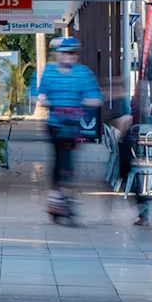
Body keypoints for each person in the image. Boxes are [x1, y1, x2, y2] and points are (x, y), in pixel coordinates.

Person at [36, 37, 103, 221]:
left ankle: (57, 197)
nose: (68, 56)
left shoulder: (83, 73)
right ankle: (61, 197)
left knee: (66, 161)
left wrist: (83, 102)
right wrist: (44, 100)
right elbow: (39, 92)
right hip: (55, 124)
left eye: (72, 53)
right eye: (65, 52)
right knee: (60, 159)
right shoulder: (49, 71)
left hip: (73, 124)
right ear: (57, 54)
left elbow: (96, 98)